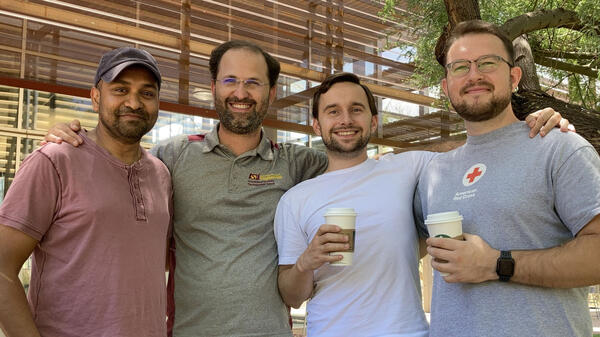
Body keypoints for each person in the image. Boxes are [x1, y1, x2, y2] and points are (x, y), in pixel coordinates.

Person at [43, 40, 568, 337]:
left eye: (254, 83)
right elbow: (124, 166)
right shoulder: (174, 159)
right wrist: (76, 138)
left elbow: (444, 157)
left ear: (271, 94)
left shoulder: (304, 166)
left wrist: (533, 125)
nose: (242, 93)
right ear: (214, 89)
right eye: (230, 81)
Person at [414, 20, 600, 337]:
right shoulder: (432, 172)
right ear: (446, 88)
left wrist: (495, 264)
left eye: (487, 63)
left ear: (514, 76)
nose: (474, 75)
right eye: (460, 67)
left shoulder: (560, 148)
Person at [0, 47, 172, 337]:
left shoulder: (161, 174)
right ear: (95, 97)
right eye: (120, 89)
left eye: (147, 93)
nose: (134, 102)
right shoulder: (54, 161)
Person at [275, 72, 432, 336]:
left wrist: (525, 123)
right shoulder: (295, 200)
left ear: (373, 121)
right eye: (333, 111)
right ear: (316, 125)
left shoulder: (407, 168)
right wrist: (306, 262)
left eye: (356, 109)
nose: (345, 120)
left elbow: (469, 153)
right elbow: (292, 297)